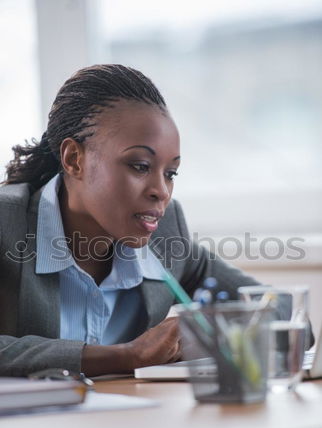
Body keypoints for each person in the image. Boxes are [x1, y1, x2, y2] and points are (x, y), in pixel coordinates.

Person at [0, 64, 271, 378]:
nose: (161, 192)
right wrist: (126, 355)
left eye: (171, 174)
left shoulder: (166, 233)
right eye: (140, 165)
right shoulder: (7, 223)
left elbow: (284, 315)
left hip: (127, 423)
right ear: (75, 159)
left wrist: (219, 333)